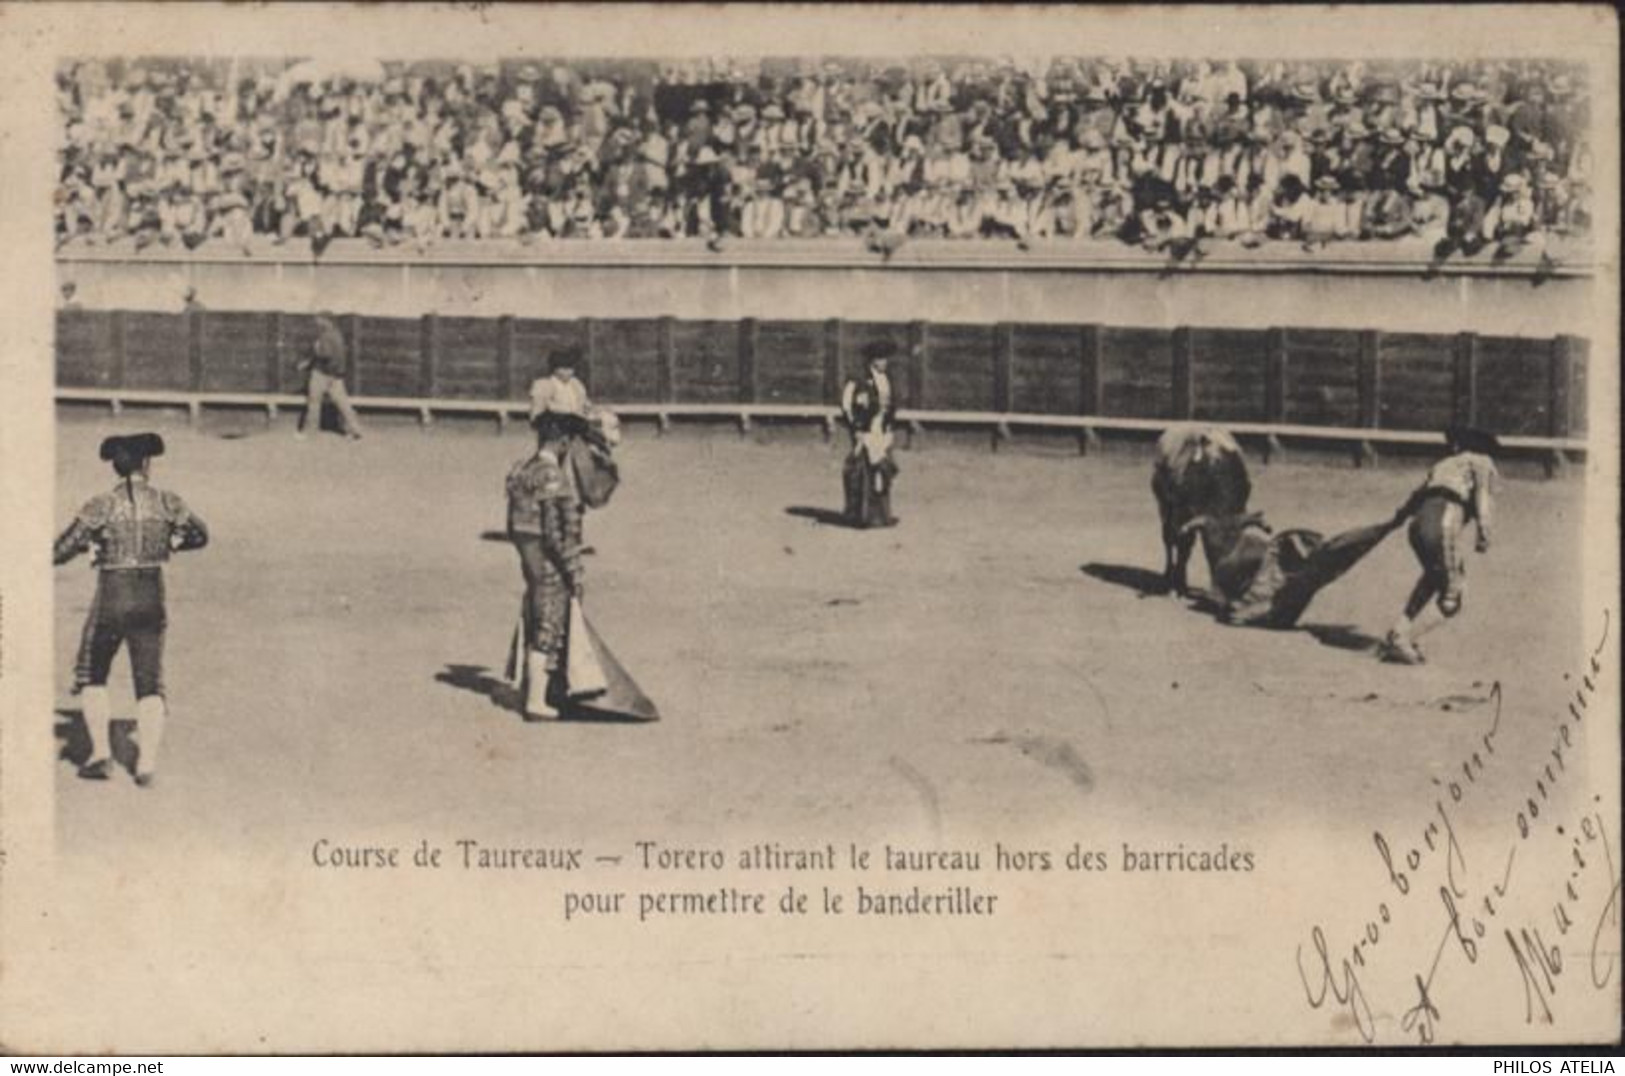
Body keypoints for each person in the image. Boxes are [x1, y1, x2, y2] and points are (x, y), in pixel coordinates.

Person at [53, 433, 209, 785]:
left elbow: (61, 549)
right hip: (151, 593)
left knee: (94, 673)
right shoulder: (166, 502)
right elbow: (200, 535)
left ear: (115, 466)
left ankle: (101, 755)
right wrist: (168, 544)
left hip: (112, 594)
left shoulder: (101, 505)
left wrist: (90, 547)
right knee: (149, 680)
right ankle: (146, 766)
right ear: (146, 464)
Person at [1378, 426, 1499, 665]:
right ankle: (1402, 639)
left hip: (1417, 526)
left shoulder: (1442, 465)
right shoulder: (1482, 462)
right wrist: (1484, 533)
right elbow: (1482, 497)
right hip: (1444, 522)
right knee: (1453, 595)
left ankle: (1400, 630)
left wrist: (1394, 521)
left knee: (1434, 578)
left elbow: (1413, 499)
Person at [504, 411, 587, 720]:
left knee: (537, 614)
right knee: (548, 620)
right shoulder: (551, 475)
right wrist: (572, 569)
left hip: (529, 557)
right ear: (563, 442)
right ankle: (536, 700)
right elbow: (554, 532)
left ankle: (533, 691)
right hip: (546, 560)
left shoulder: (522, 470)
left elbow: (514, 527)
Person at [840, 338, 901, 528]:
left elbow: (891, 406)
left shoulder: (887, 378)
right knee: (863, 472)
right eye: (881, 358)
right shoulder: (858, 379)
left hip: (882, 428)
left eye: (885, 358)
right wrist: (856, 429)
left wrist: (890, 425)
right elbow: (846, 405)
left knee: (883, 470)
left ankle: (882, 515)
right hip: (865, 429)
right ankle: (861, 516)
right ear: (872, 360)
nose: (885, 362)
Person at [295, 311, 364, 440]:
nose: (317, 323)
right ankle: (356, 430)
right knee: (343, 404)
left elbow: (325, 355)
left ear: (326, 321)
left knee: (314, 403)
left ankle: (309, 432)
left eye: (319, 320)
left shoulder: (325, 336)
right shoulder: (338, 335)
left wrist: (315, 351)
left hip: (322, 374)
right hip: (336, 375)